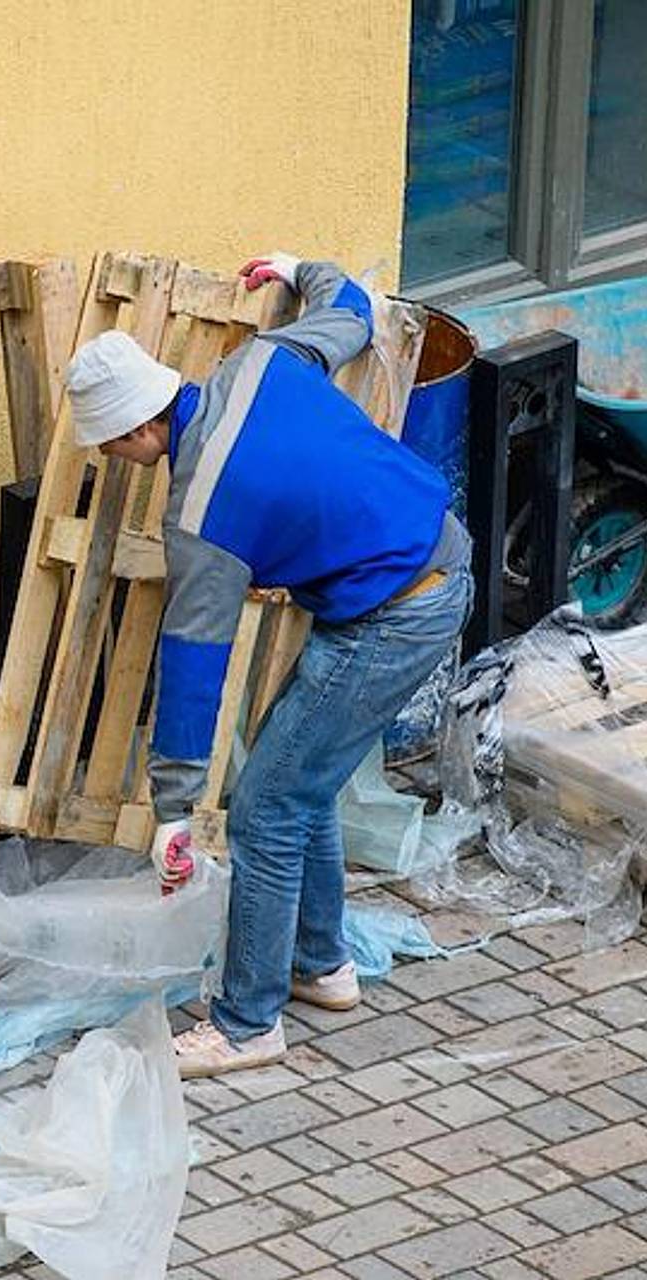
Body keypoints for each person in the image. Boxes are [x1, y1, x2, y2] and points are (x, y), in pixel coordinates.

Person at [65, 252, 472, 1077]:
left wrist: (174, 811)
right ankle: (324, 965)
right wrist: (298, 268)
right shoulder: (260, 362)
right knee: (299, 772)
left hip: (395, 613)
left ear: (140, 429)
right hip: (424, 566)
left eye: (110, 445)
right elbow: (351, 308)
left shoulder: (202, 512)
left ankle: (249, 1022)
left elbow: (192, 661)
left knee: (266, 807)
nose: (111, 458)